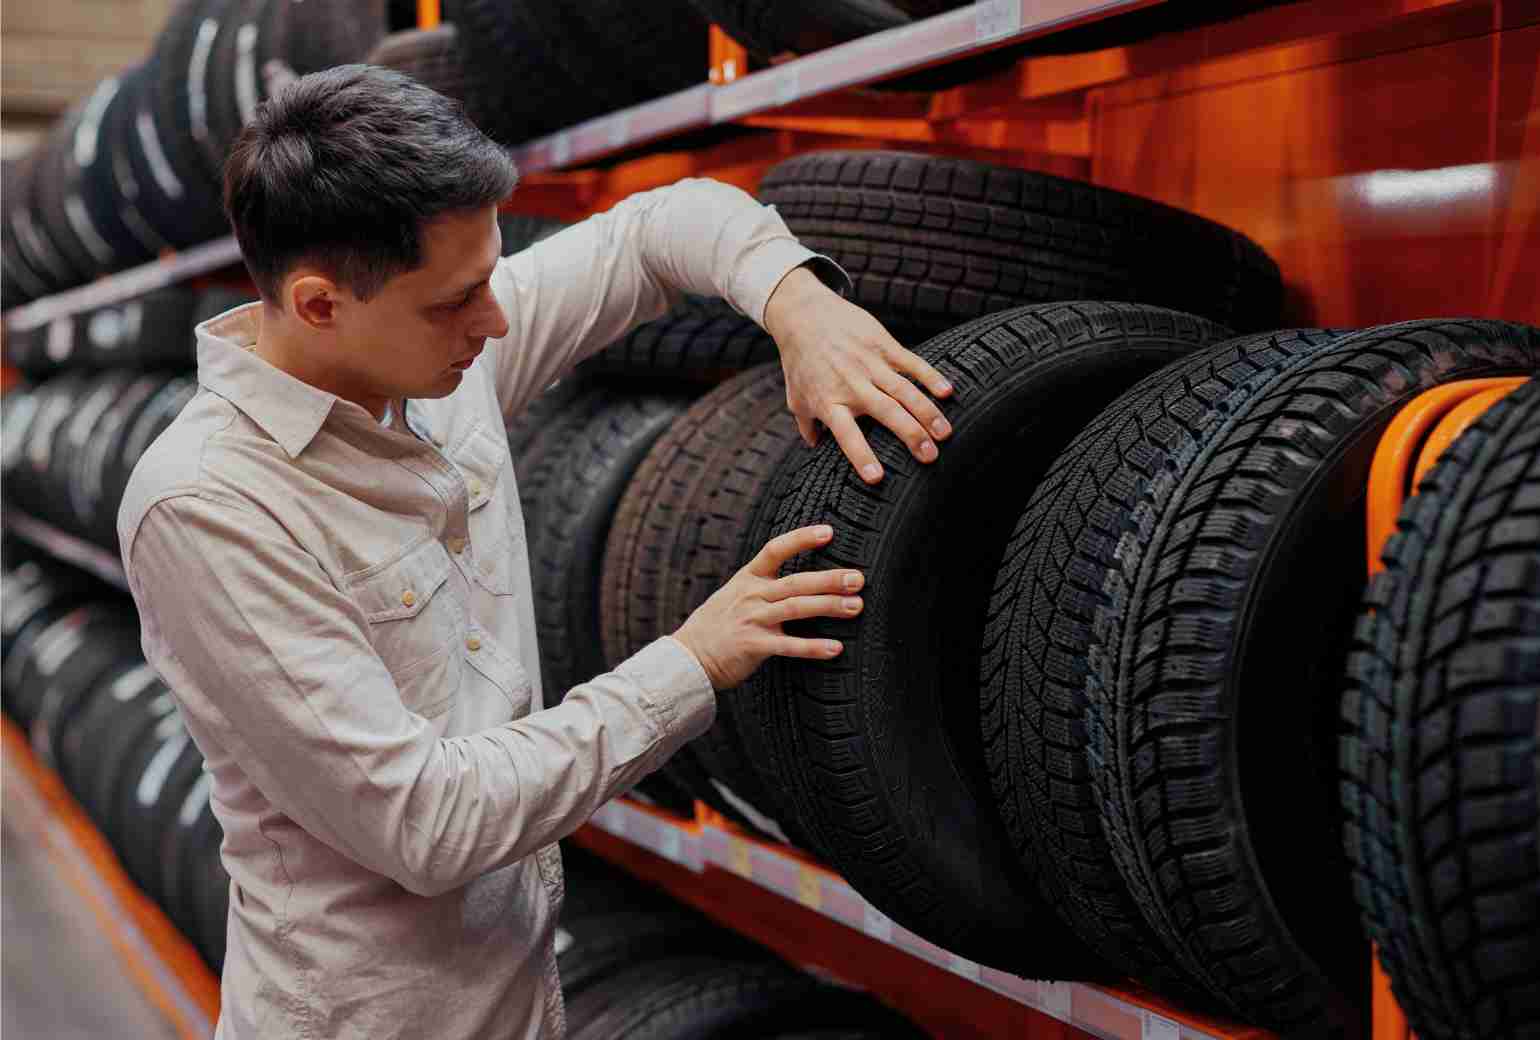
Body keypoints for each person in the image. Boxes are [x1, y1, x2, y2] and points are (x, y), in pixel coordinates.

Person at [117, 64, 953, 1040]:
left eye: (492, 275)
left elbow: (656, 230)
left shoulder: (421, 359)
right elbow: (426, 822)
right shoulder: (208, 507)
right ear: (318, 305)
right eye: (457, 300)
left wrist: (798, 304)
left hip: (520, 1001)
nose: (498, 319)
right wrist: (694, 661)